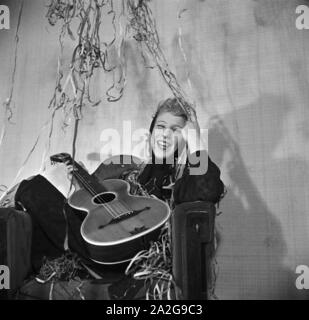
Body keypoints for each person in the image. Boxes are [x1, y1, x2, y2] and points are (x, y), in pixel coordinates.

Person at [14, 97, 225, 298]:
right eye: (160, 127)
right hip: (101, 242)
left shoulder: (183, 176)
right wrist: (80, 181)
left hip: (139, 253)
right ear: (151, 132)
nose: (165, 135)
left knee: (32, 192)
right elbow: (98, 209)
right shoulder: (130, 171)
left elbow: (206, 190)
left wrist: (196, 140)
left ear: (185, 138)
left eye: (175, 130)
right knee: (34, 188)